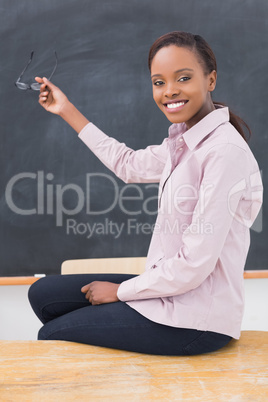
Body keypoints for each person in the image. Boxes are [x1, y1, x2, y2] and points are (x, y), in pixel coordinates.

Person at [28, 31, 263, 355]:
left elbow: (194, 265)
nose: (169, 91)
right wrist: (65, 109)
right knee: (43, 294)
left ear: (210, 79)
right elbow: (127, 164)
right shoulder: (184, 143)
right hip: (171, 292)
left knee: (52, 333)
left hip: (195, 320)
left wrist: (121, 291)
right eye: (158, 82)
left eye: (183, 78)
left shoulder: (223, 153)